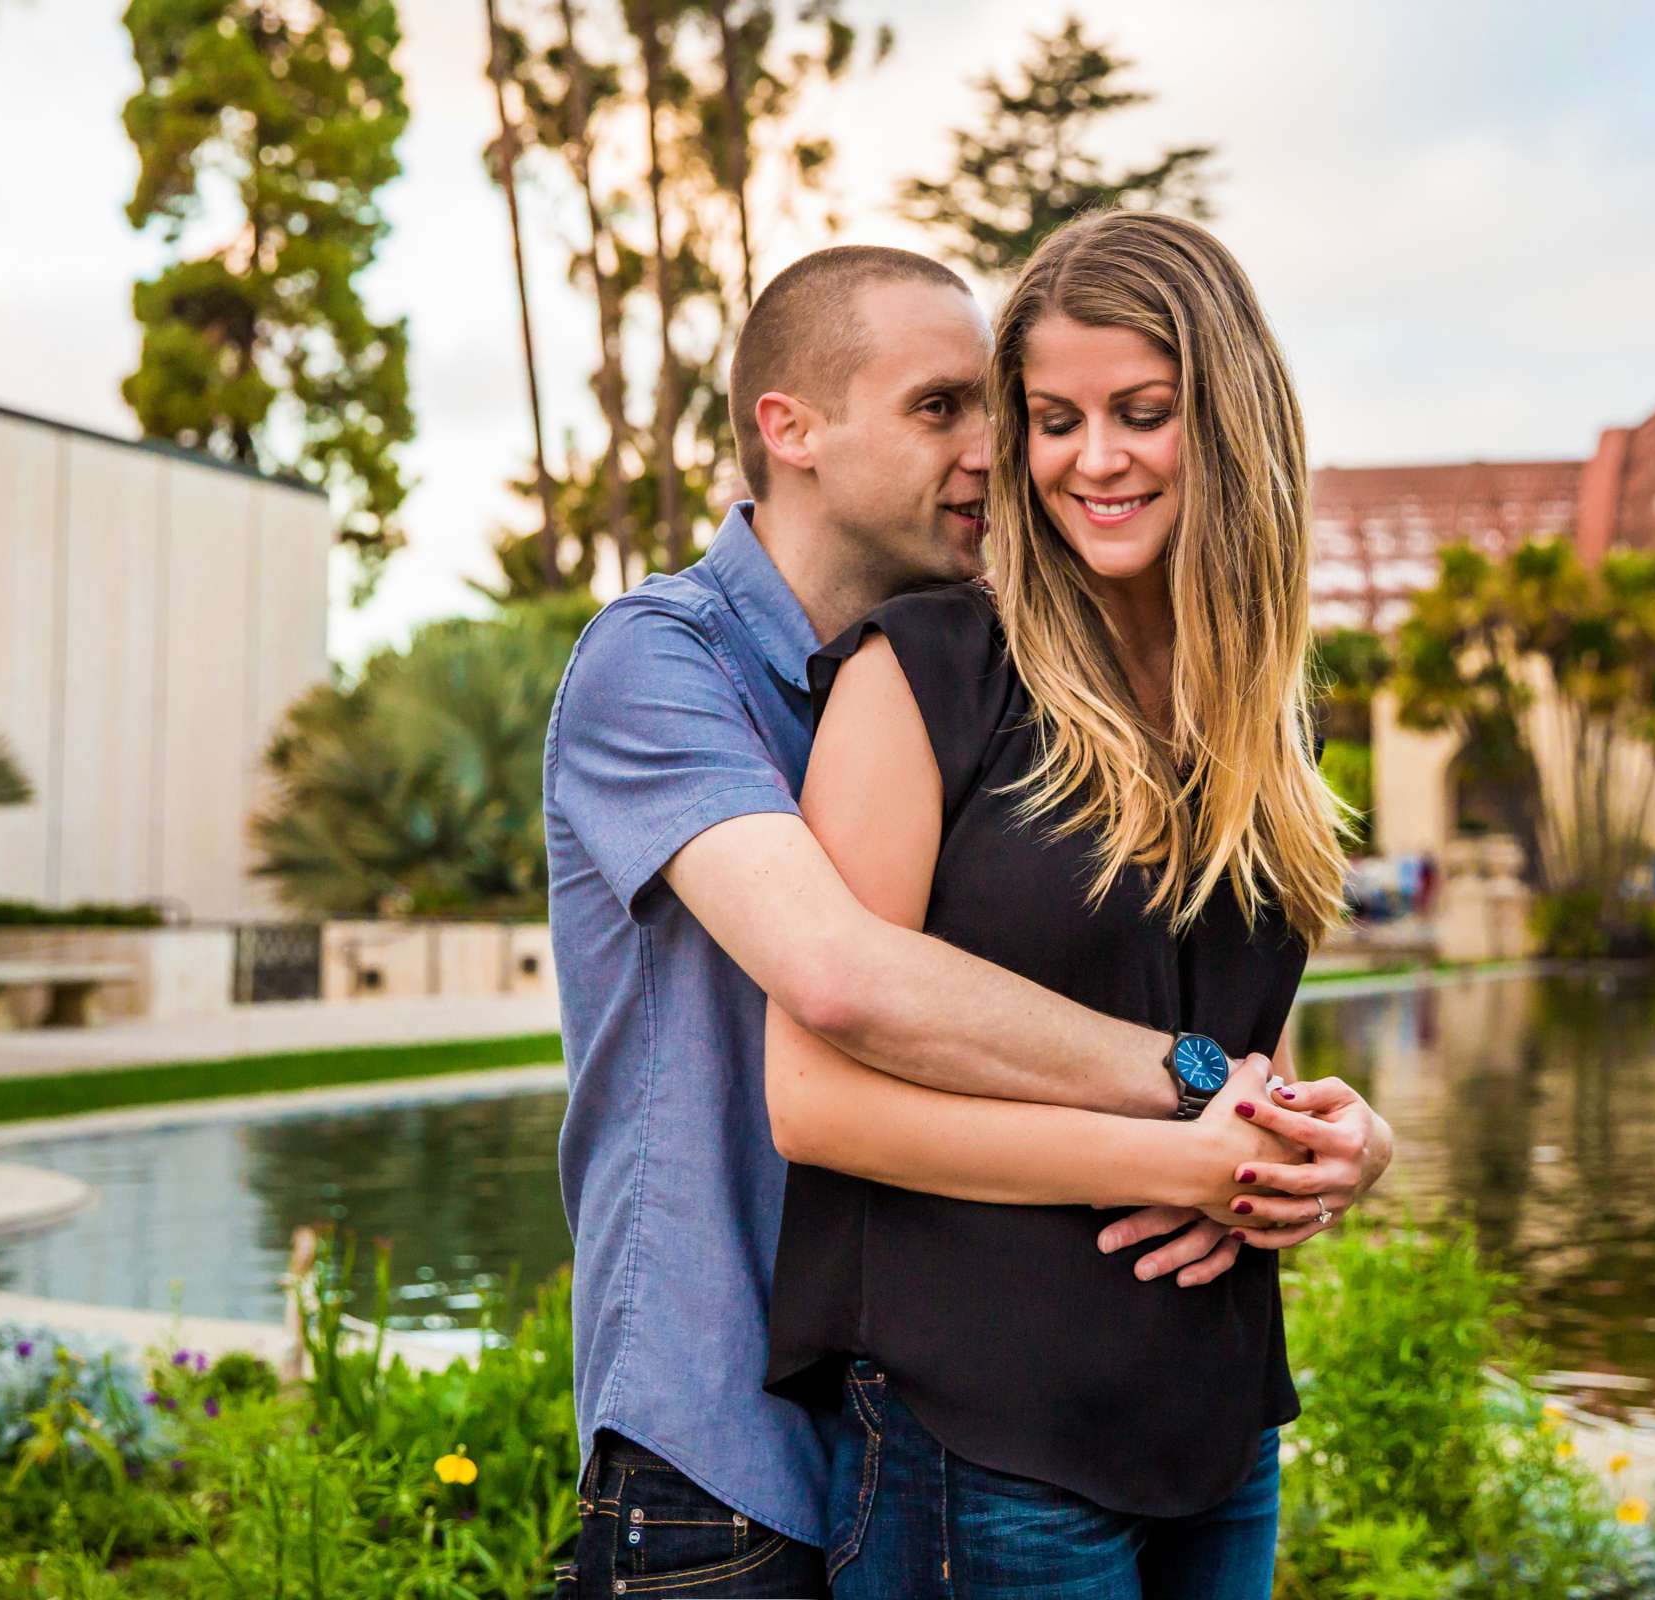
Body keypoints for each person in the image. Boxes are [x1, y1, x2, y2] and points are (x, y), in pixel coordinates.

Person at [543, 244, 1392, 1599]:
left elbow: (1218, 1027)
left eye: (1014, 414)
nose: (1009, 454)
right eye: (954, 409)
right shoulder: (668, 665)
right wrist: (1195, 1106)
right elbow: (839, 979)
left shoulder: (1047, 682)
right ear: (791, 429)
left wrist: (1322, 1140)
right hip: (728, 1441)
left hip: (1022, 1397)